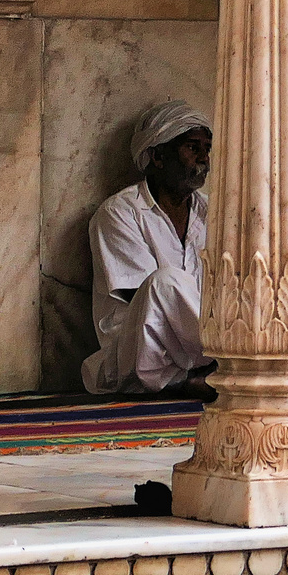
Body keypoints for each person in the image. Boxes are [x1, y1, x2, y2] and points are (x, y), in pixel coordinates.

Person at [81, 101, 215, 396]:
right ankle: (234, 367)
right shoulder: (119, 213)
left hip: (204, 350)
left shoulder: (214, 212)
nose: (204, 158)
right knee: (166, 282)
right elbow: (146, 297)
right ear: (157, 156)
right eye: (193, 147)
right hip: (143, 353)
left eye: (207, 148)